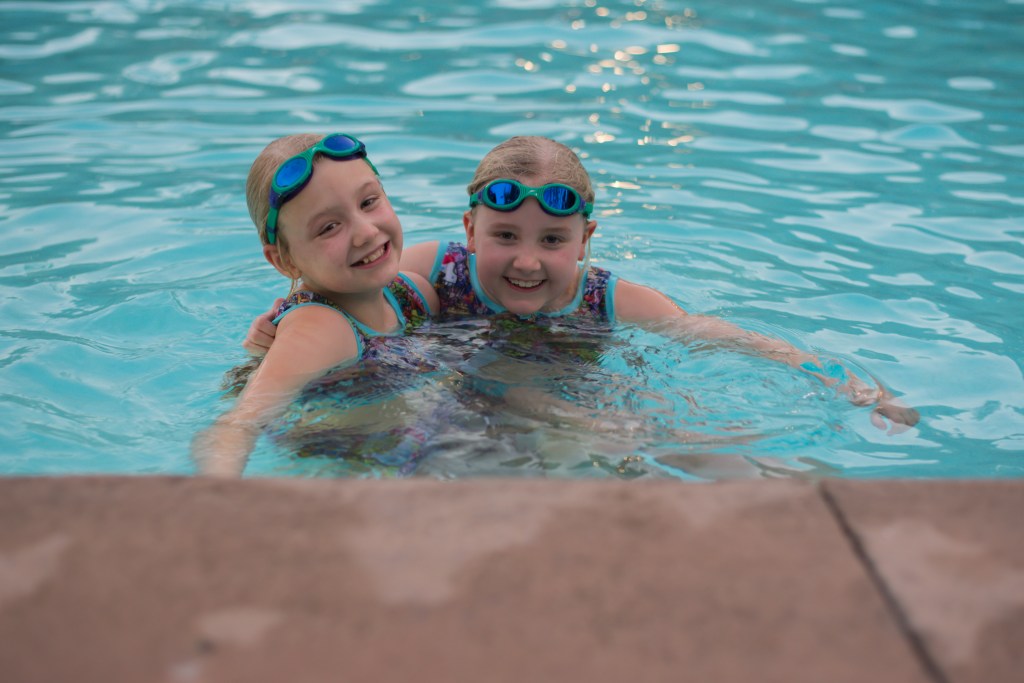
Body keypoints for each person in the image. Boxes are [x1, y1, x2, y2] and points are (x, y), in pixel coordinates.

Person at [244, 135, 919, 431]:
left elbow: (722, 336)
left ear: (585, 241)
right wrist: (290, 315)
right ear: (470, 231)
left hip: (571, 399)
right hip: (477, 406)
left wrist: (858, 387)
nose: (527, 262)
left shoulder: (604, 297)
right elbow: (353, 289)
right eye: (505, 237)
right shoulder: (437, 271)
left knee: (647, 428)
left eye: (553, 241)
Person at [192, 132, 438, 477]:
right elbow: (237, 426)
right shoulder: (322, 327)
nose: (366, 232)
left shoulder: (412, 294)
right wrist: (217, 492)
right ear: (284, 261)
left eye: (368, 202)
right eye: (329, 227)